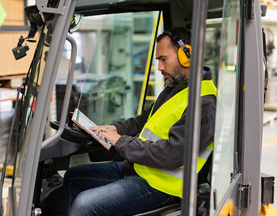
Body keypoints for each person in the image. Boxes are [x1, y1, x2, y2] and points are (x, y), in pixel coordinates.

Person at [63, 28, 217, 216]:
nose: (159, 68)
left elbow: (172, 154)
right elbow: (143, 119)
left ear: (187, 56)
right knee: (73, 176)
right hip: (141, 169)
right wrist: (114, 129)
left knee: (84, 205)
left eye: (163, 59)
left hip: (162, 186)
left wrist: (119, 141)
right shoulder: (177, 89)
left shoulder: (204, 103)